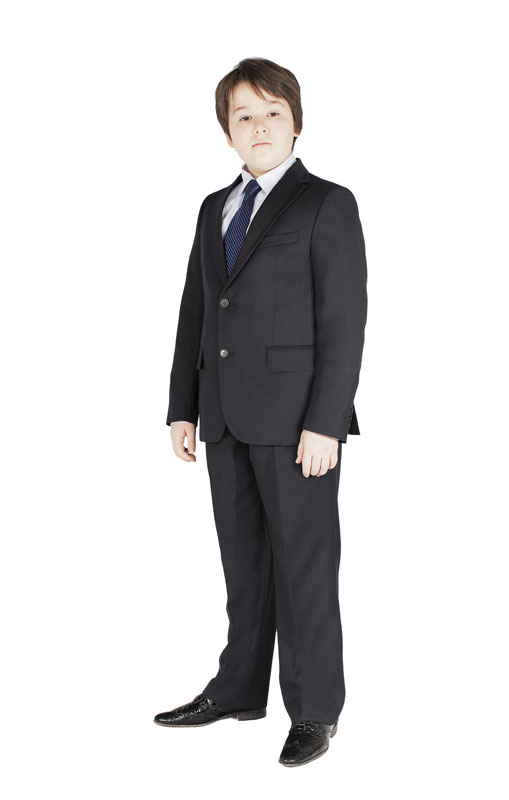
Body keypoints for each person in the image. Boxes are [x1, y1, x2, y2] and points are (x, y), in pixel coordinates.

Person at [154, 57, 368, 768]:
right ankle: (237, 689)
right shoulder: (212, 207)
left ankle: (314, 711)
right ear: (228, 132)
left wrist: (326, 421)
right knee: (243, 567)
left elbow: (344, 321)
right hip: (222, 416)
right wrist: (182, 406)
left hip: (298, 423)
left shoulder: (326, 204)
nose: (259, 126)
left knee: (304, 571)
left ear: (296, 123)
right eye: (243, 116)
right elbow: (196, 311)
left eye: (273, 112)